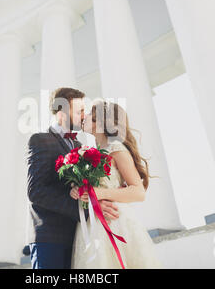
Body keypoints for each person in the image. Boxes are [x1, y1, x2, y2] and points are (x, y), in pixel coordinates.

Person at [26, 88, 120, 269]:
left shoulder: (80, 146)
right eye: (79, 112)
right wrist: (85, 211)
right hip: (50, 237)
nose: (84, 116)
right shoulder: (40, 140)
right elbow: (36, 191)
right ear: (62, 114)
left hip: (78, 237)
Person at [69, 99, 164, 268]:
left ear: (101, 121)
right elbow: (90, 188)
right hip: (91, 224)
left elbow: (138, 192)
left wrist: (100, 193)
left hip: (115, 221)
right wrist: (78, 190)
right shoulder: (89, 152)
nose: (84, 117)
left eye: (90, 113)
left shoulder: (116, 148)